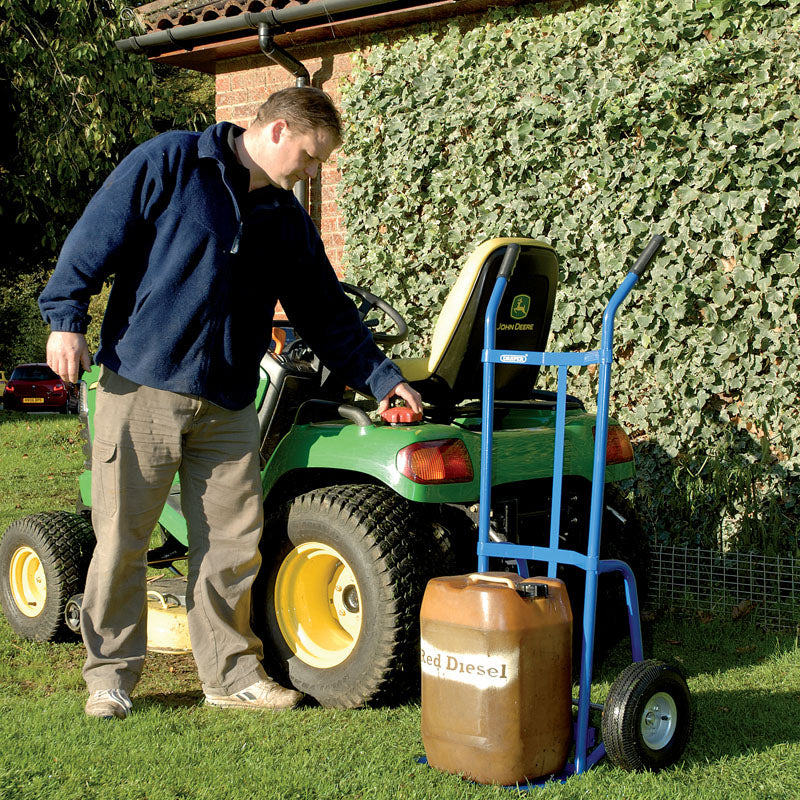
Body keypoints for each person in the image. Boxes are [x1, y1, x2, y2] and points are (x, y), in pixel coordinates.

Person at [39, 87, 422, 720]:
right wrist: (65, 318)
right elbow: (94, 235)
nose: (310, 172)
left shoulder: (285, 217)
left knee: (232, 545)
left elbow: (325, 309)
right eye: (307, 156)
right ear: (275, 131)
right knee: (123, 538)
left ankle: (230, 675)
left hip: (227, 402)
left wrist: (383, 379)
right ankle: (108, 677)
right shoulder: (171, 162)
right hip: (141, 386)